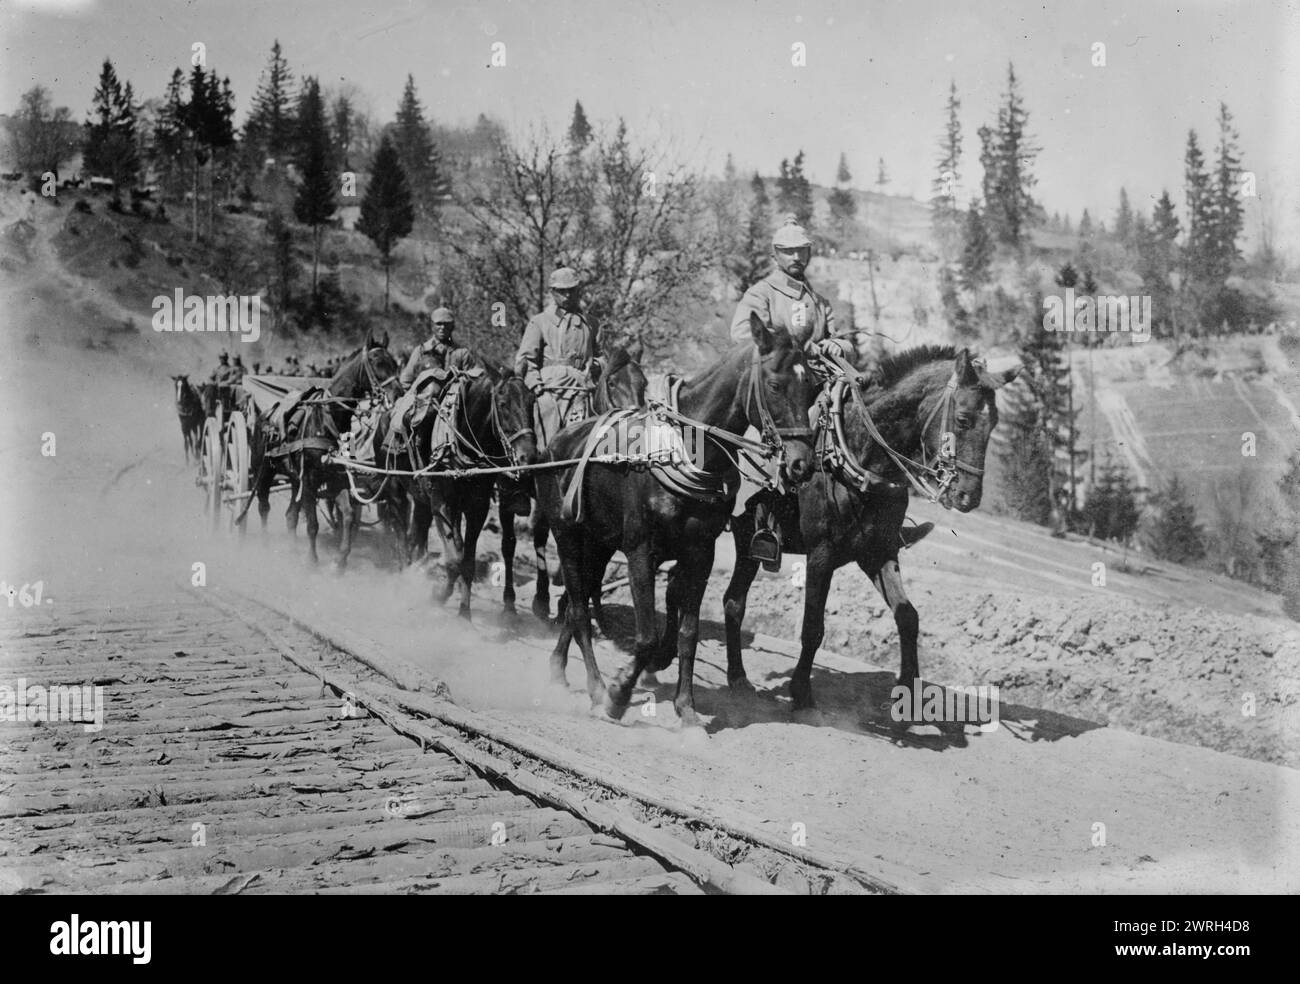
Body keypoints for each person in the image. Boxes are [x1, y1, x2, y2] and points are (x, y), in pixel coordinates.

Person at [730, 217, 928, 567]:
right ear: (776, 255)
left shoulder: (818, 301)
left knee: (869, 418)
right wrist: (786, 350)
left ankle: (885, 523)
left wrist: (835, 346)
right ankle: (765, 521)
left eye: (801, 250)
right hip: (781, 384)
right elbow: (742, 335)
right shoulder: (761, 294)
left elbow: (840, 339)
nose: (796, 257)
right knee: (792, 435)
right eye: (788, 251)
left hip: (822, 378)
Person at [514, 267, 600, 447]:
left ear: (578, 291)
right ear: (553, 292)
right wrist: (536, 387)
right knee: (547, 429)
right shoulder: (540, 322)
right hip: (551, 388)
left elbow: (601, 355)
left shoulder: (591, 324)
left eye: (572, 290)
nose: (567, 295)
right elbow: (526, 360)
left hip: (584, 387)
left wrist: (596, 366)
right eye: (562, 291)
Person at [399, 307, 461, 389]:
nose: (442, 327)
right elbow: (405, 381)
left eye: (447, 324)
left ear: (452, 327)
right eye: (439, 324)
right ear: (432, 326)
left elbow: (472, 380)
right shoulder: (421, 350)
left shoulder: (461, 351)